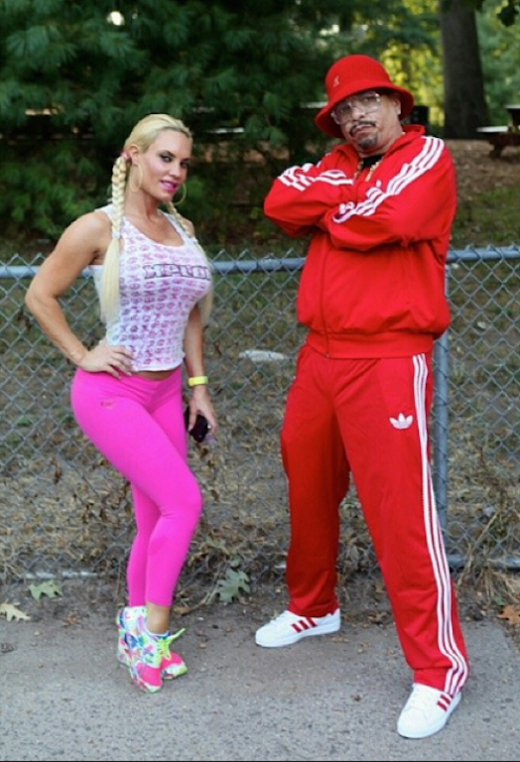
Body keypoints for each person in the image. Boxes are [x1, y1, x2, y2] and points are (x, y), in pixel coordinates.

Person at [255, 55, 469, 739]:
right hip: (319, 353)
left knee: (401, 513)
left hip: (388, 355)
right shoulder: (334, 164)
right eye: (343, 110)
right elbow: (279, 201)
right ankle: (314, 607)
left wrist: (333, 210)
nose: (356, 117)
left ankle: (439, 670)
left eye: (367, 102)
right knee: (308, 483)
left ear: (395, 103)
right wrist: (347, 198)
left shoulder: (427, 155)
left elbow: (394, 218)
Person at [25, 113, 218, 694]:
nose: (176, 171)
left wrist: (198, 386)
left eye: (184, 163)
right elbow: (40, 294)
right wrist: (82, 354)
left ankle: (136, 632)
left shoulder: (180, 226)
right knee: (184, 501)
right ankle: (150, 635)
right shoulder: (98, 228)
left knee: (155, 517)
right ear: (133, 155)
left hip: (165, 392)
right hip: (111, 393)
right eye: (166, 158)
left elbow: (191, 313)